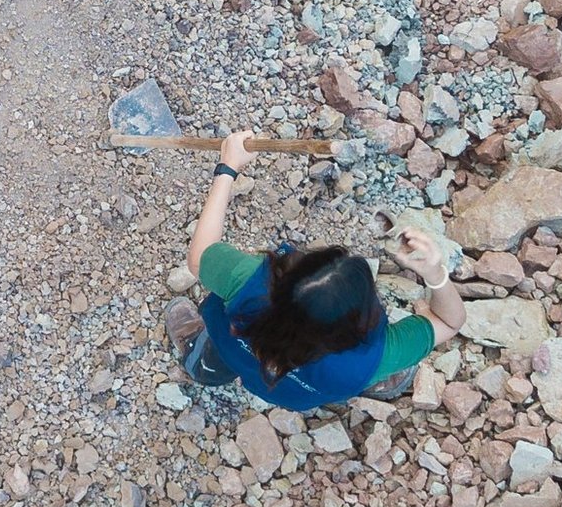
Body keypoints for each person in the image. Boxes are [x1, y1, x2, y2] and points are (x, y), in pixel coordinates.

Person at [162, 130, 462, 413]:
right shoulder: (374, 355)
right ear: (361, 320)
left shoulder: (250, 282)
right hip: (297, 391)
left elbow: (199, 258)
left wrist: (227, 168)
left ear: (286, 277)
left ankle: (202, 364)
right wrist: (435, 274)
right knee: (367, 373)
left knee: (217, 357)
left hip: (234, 349)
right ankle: (374, 381)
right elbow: (450, 321)